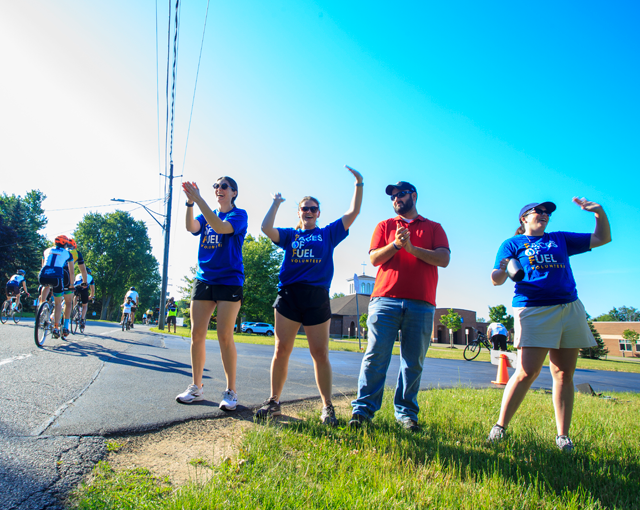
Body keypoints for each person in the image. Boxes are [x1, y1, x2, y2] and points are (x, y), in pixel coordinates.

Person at [487, 198, 611, 451]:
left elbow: (602, 239)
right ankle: (499, 427)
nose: (544, 214)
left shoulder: (560, 239)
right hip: (533, 309)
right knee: (526, 372)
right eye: (538, 211)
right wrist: (503, 269)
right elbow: (496, 280)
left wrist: (599, 213)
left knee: (564, 374)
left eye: (547, 213)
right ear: (524, 218)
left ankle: (563, 436)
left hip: (569, 307)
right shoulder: (512, 243)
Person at [255, 166, 364, 425]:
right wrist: (275, 203)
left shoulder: (328, 234)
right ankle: (274, 402)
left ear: (319, 213)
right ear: (299, 212)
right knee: (281, 350)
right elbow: (265, 228)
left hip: (317, 298)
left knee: (320, 353)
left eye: (313, 208)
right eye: (304, 208)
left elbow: (353, 213)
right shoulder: (290, 235)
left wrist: (359, 184)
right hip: (289, 297)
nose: (309, 212)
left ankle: (327, 407)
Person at [350, 181, 450, 432]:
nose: (396, 199)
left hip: (421, 303)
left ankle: (406, 414)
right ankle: (362, 411)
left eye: (401, 194)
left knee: (412, 361)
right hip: (384, 300)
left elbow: (444, 259)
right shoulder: (385, 226)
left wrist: (412, 249)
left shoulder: (433, 227)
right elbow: (374, 258)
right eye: (392, 196)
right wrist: (395, 245)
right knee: (375, 356)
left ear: (413, 195)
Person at [177, 176, 248, 412]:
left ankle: (231, 392)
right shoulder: (204, 214)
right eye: (216, 186)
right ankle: (196, 387)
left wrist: (198, 199)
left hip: (229, 280)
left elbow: (220, 227)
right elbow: (191, 227)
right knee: (197, 333)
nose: (219, 189)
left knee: (224, 335)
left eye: (224, 186)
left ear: (234, 193)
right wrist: (190, 203)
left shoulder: (239, 215)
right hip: (204, 278)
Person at [38, 235, 75, 338]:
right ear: (65, 244)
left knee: (46, 286)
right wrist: (71, 285)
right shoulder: (68, 253)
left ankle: (42, 306)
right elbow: (71, 272)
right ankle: (55, 327)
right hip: (57, 277)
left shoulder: (46, 250)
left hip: (43, 275)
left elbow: (43, 265)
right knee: (58, 303)